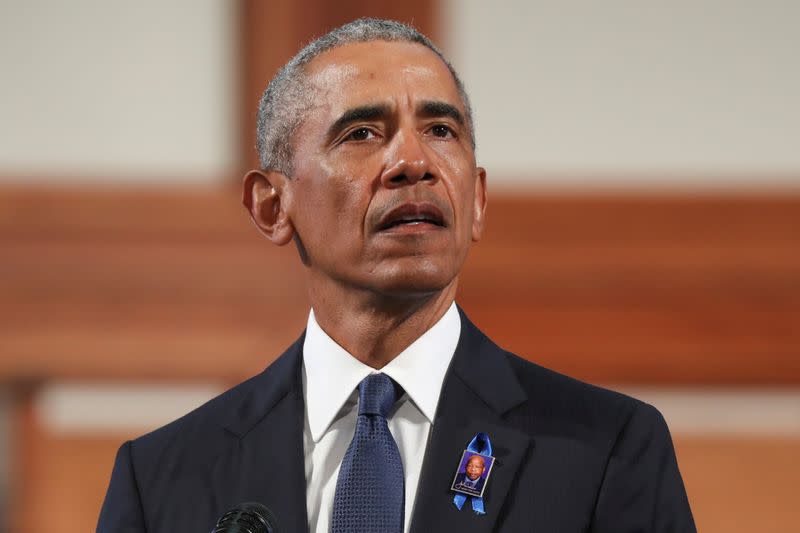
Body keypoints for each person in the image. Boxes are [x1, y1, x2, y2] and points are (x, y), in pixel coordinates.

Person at [97, 18, 696, 533]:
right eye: (362, 133)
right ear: (272, 207)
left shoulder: (608, 451)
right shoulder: (161, 480)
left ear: (478, 200)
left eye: (441, 131)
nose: (415, 163)